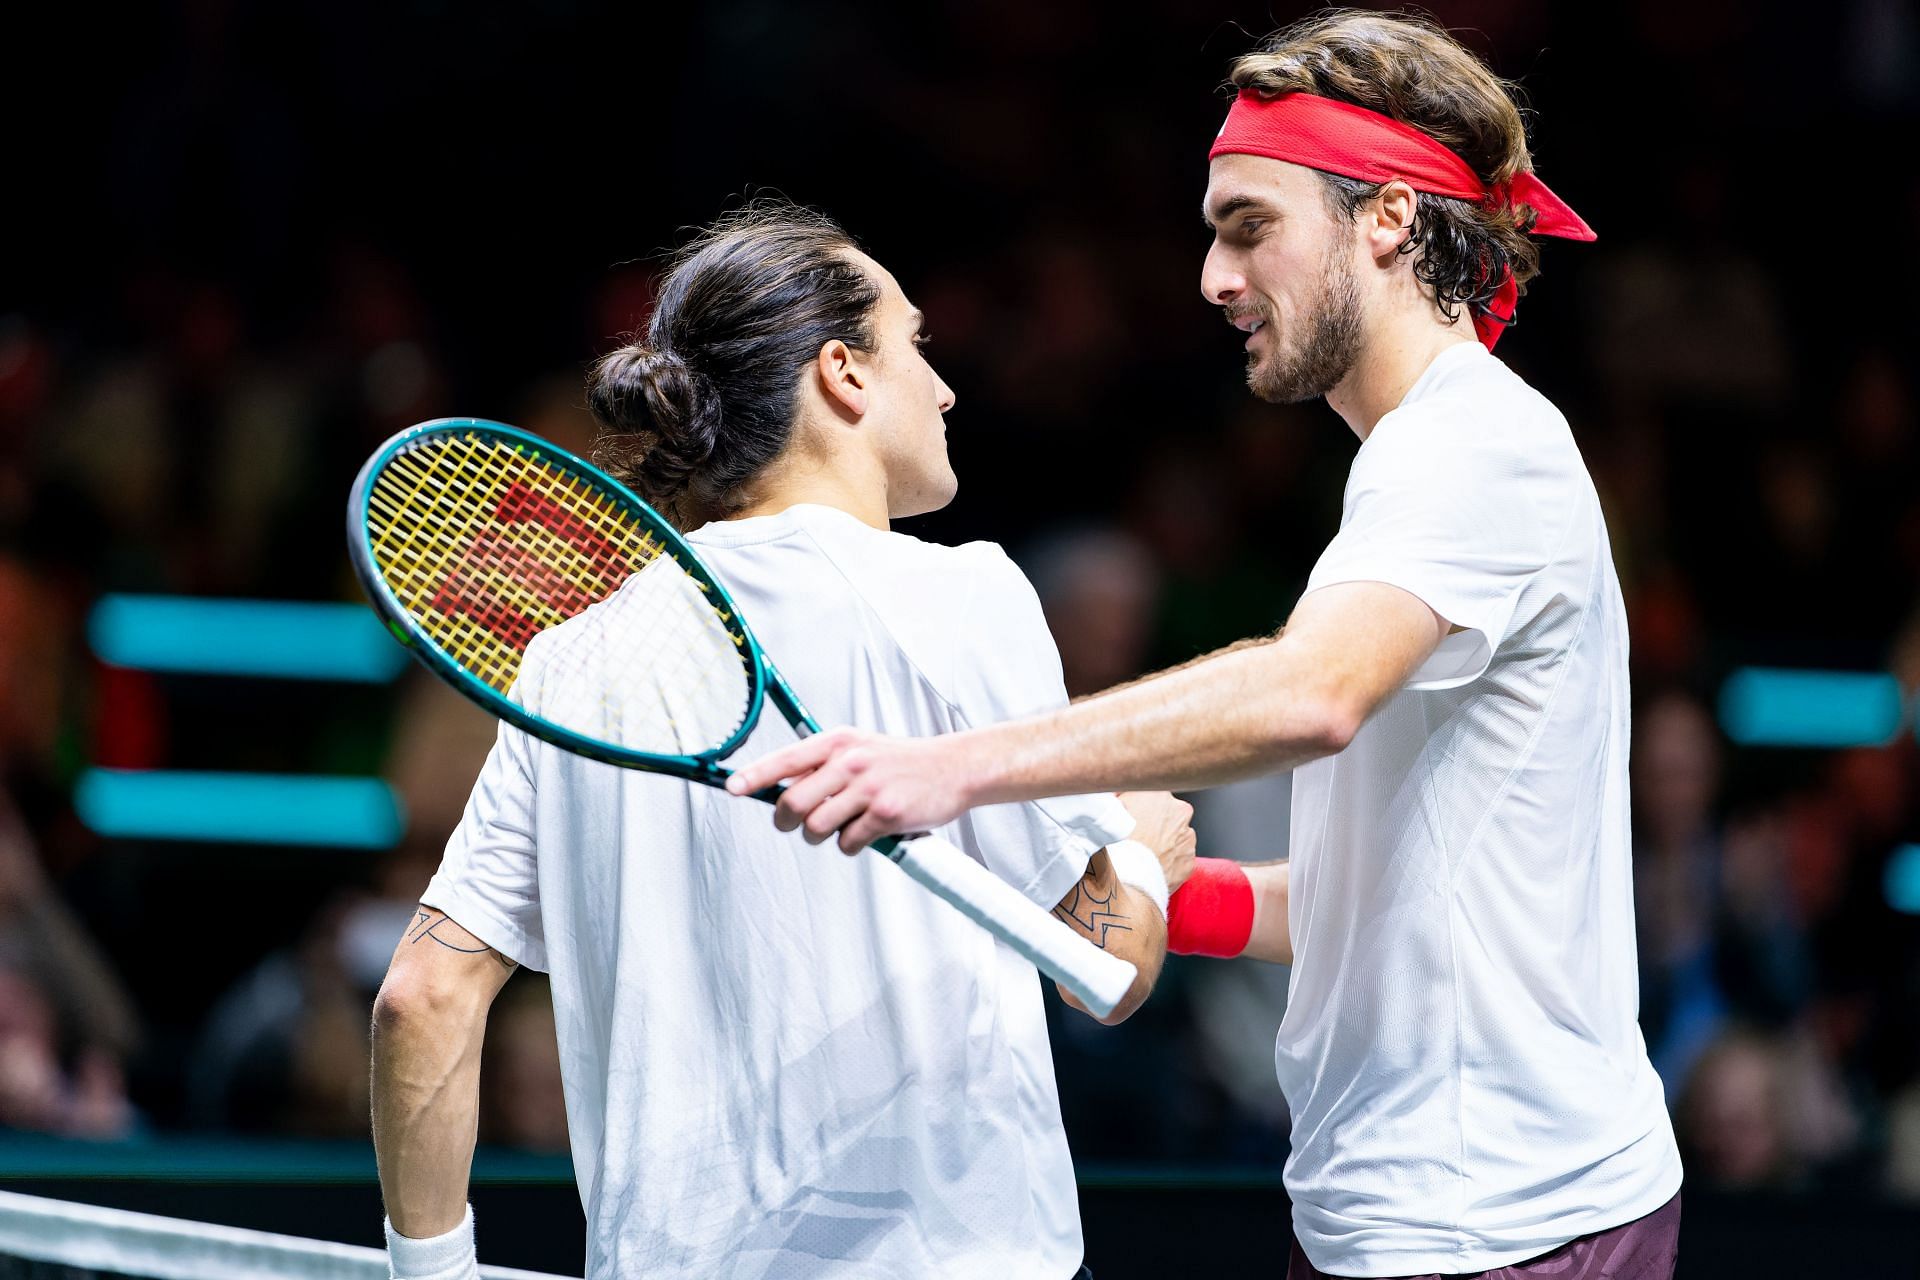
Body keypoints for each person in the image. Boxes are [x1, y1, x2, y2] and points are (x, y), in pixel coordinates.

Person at [730, 13, 1684, 1279]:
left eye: (1248, 226)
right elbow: (1386, 897)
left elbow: (1311, 691)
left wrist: (948, 768)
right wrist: (1151, 893)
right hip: (1400, 1217)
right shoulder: (1424, 460)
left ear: (1387, 219)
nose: (1212, 279)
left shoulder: (1476, 445)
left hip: (1503, 1225)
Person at [369, 201, 1190, 1280]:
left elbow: (421, 999)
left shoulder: (571, 663)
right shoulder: (964, 594)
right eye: (918, 345)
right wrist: (1140, 854)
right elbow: (1103, 970)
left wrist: (430, 1272)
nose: (943, 388)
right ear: (843, 372)